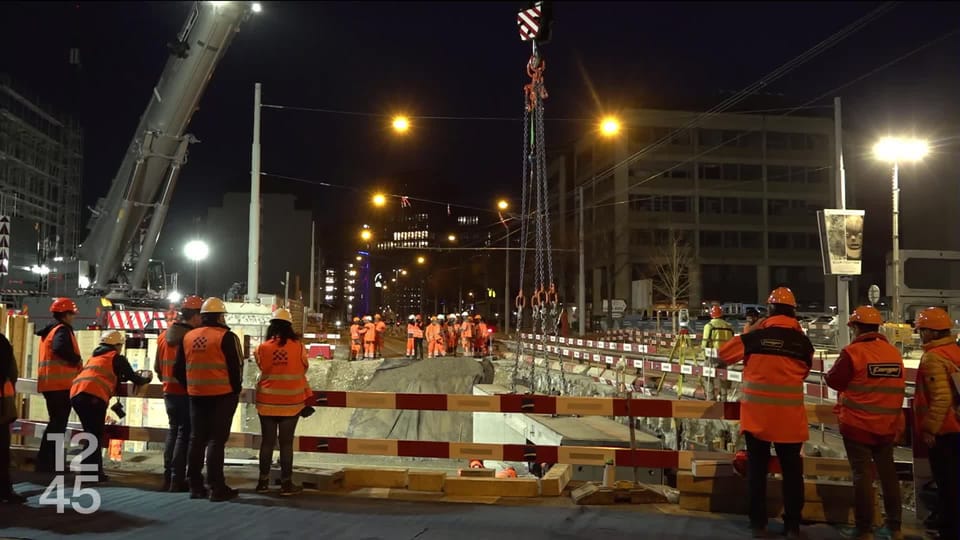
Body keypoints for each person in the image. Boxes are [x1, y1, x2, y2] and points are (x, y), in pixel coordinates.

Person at [717, 287, 813, 539]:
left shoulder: (755, 338)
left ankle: (758, 524)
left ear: (769, 310)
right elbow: (804, 372)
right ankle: (792, 526)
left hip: (757, 419)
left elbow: (723, 354)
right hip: (790, 421)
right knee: (792, 474)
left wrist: (752, 330)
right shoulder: (803, 343)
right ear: (793, 312)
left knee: (757, 472)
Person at [825, 306, 905, 540]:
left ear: (856, 328)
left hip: (857, 425)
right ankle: (895, 528)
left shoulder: (853, 353)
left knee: (862, 476)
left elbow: (834, 380)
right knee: (888, 475)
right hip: (887, 426)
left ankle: (864, 530)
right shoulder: (893, 353)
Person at [174, 297, 243, 502]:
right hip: (222, 396)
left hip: (196, 396)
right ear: (220, 317)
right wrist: (235, 390)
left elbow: (178, 369)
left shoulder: (188, 337)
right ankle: (216, 487)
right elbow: (236, 368)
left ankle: (195, 486)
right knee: (216, 441)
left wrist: (191, 387)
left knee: (196, 439)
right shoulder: (226, 337)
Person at [70, 330, 152, 482]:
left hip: (77, 394)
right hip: (93, 396)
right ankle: (91, 473)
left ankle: (91, 471)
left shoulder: (95, 357)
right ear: (117, 345)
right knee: (94, 434)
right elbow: (134, 378)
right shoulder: (116, 358)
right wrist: (146, 378)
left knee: (90, 433)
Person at [912, 306, 960, 540]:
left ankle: (949, 532)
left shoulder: (934, 357)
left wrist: (930, 428)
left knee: (947, 486)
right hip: (957, 427)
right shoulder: (955, 352)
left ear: (931, 332)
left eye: (922, 330)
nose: (920, 335)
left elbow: (941, 398)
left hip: (945, 431)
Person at [254, 309, 311, 496]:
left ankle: (262, 483)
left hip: (266, 402)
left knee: (267, 443)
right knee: (286, 444)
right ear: (289, 327)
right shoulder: (299, 347)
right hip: (291, 403)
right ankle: (286, 485)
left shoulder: (262, 348)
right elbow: (304, 367)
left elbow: (262, 366)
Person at [154, 294, 203, 492]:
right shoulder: (191, 338)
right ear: (196, 316)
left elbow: (157, 368)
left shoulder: (162, 337)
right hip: (186, 392)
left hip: (169, 392)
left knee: (173, 432)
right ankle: (178, 479)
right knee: (185, 435)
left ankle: (169, 476)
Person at [35, 297, 83, 473]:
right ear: (65, 314)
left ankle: (45, 462)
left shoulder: (49, 330)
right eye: (72, 314)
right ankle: (50, 464)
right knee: (57, 426)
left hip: (50, 384)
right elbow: (59, 348)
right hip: (60, 385)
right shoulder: (61, 330)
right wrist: (76, 359)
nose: (74, 317)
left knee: (55, 424)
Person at [1, 331, 26, 503]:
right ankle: (4, 490)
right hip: (1, 404)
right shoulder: (2, 343)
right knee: (1, 450)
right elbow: (12, 372)